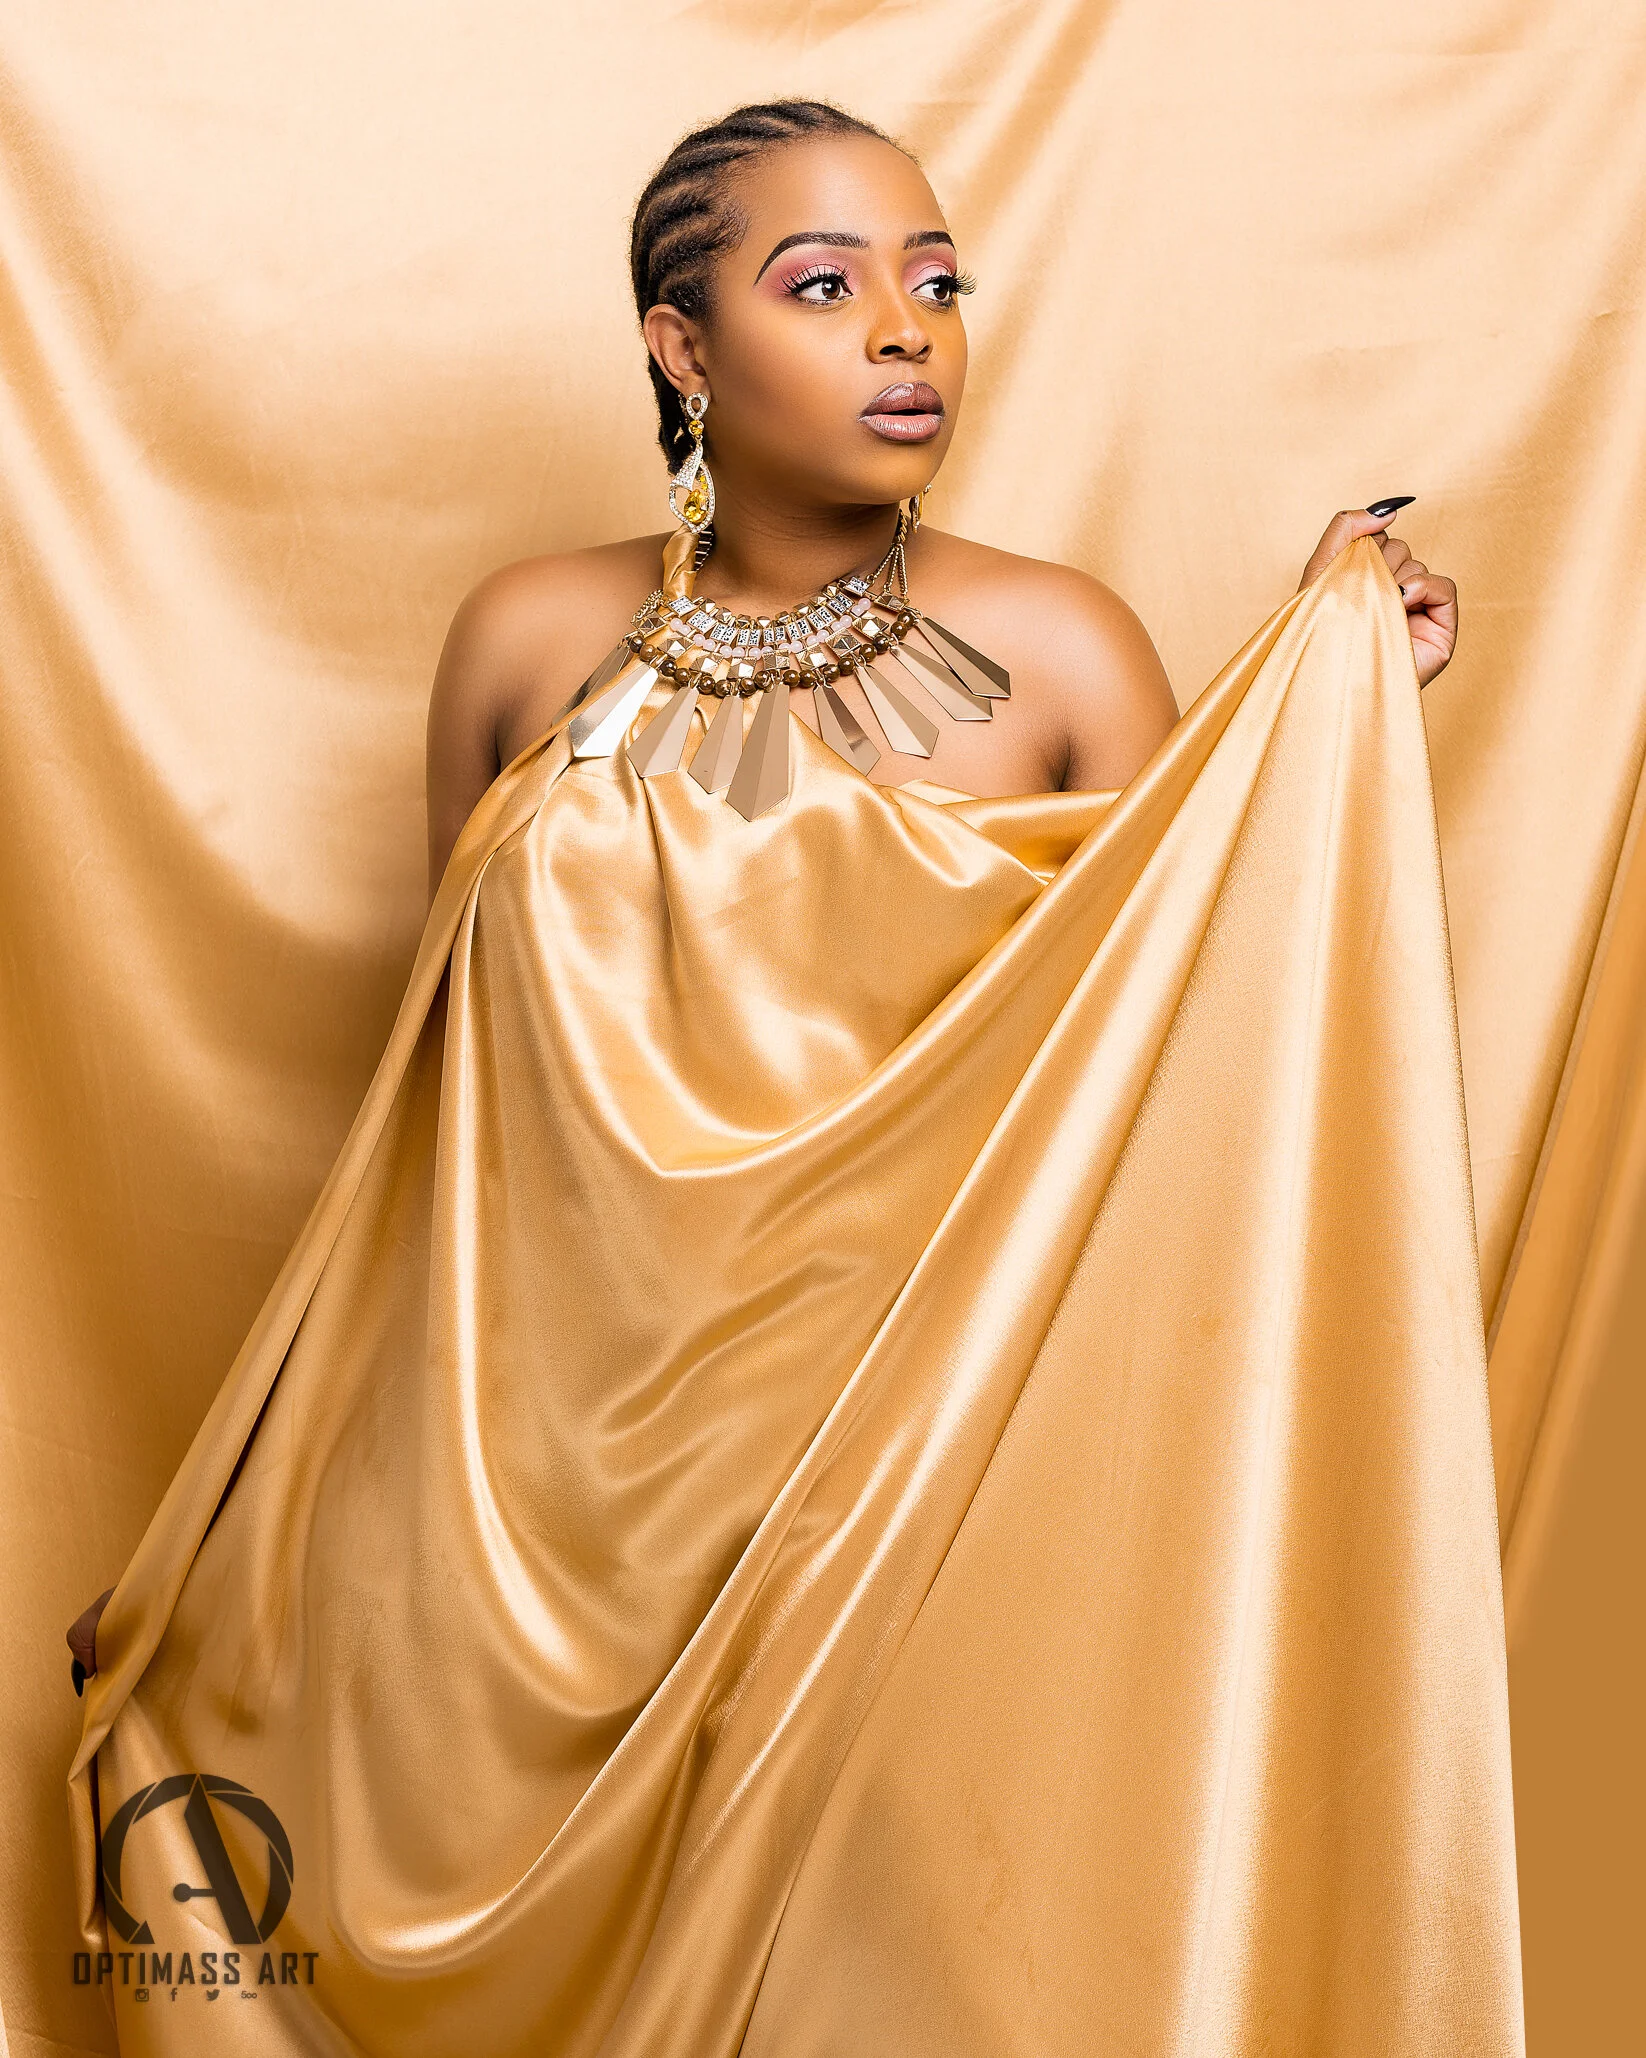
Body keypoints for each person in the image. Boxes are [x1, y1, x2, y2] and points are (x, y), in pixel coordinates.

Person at [68, 102, 1516, 2058]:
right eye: (823, 286)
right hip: (526, 1533)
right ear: (680, 349)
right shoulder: (521, 643)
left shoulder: (1065, 654)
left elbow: (1197, 1064)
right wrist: (222, 1520)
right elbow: (440, 1135)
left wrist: (1330, 696)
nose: (906, 333)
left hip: (896, 1504)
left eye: (934, 284)